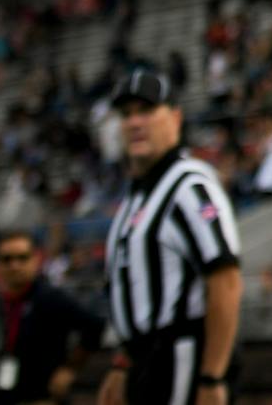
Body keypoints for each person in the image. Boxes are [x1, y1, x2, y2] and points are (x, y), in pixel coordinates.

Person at [100, 69, 243, 405]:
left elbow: (226, 280)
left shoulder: (187, 187)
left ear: (175, 118)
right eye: (126, 114)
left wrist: (212, 376)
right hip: (146, 358)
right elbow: (134, 293)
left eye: (146, 111)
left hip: (181, 357)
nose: (135, 122)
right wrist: (123, 363)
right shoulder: (136, 197)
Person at [0, 229, 104, 405]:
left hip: (43, 397)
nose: (14, 266)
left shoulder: (49, 298)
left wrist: (69, 369)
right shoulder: (1, 300)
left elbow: (94, 326)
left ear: (36, 260)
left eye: (22, 258)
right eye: (6, 259)